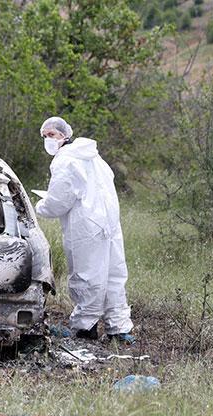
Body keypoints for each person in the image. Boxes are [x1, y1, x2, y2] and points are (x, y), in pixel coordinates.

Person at [34, 116, 135, 344]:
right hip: (109, 224)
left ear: (64, 135)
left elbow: (59, 200)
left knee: (87, 275)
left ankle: (84, 327)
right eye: (45, 136)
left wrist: (40, 206)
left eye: (52, 135)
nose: (48, 140)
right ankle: (118, 329)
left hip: (85, 226)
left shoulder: (65, 160)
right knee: (113, 274)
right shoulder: (94, 157)